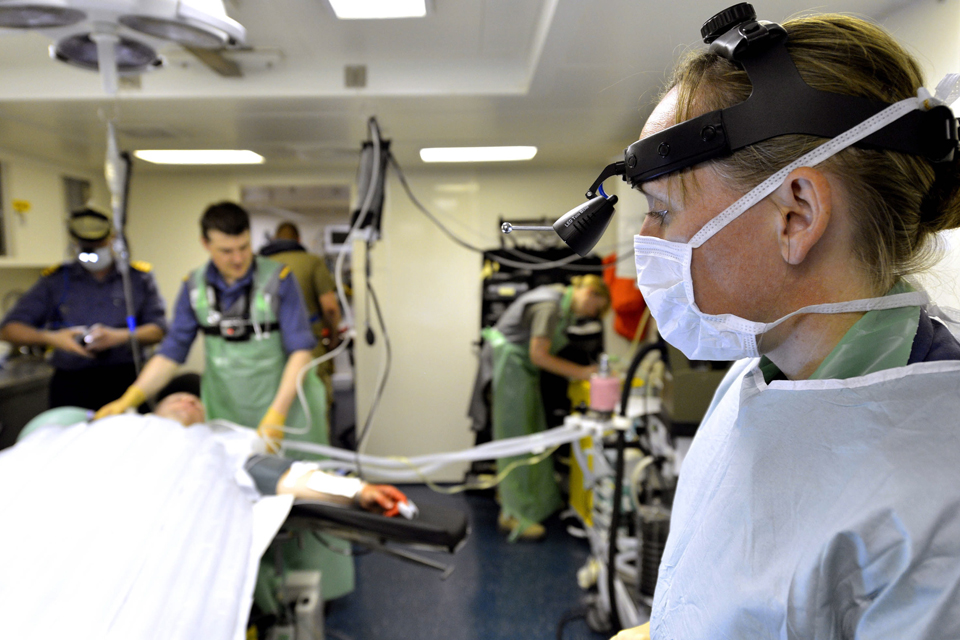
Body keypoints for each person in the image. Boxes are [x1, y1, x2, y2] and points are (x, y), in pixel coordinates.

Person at [611, 9, 960, 640]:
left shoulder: (940, 501)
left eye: (662, 210)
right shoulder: (757, 381)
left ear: (795, 215)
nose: (645, 239)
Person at [0, 378, 407, 639]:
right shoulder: (102, 428)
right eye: (176, 396)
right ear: (153, 408)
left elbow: (286, 476)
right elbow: (42, 453)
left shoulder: (220, 447)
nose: (186, 401)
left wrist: (357, 490)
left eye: (196, 401)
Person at [95, 201, 354, 600]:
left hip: (289, 403)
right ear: (205, 244)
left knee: (306, 495)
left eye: (243, 248)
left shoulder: (279, 279)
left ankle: (321, 589)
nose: (237, 260)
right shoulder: (193, 286)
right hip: (229, 407)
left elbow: (301, 351)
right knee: (239, 500)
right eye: (225, 251)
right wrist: (130, 398)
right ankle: (252, 592)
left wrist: (276, 415)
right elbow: (171, 353)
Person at [480, 275, 609, 541]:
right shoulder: (550, 307)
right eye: (596, 308)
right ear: (589, 293)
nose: (592, 314)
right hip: (509, 370)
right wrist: (583, 373)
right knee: (514, 440)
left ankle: (532, 499)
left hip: (521, 372)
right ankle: (512, 515)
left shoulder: (558, 302)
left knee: (532, 435)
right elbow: (538, 355)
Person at [0, 207, 167, 410]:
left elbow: (159, 330)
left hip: (125, 379)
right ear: (75, 243)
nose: (92, 252)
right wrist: (52, 338)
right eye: (86, 246)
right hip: (72, 384)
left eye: (98, 245)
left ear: (112, 240)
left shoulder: (137, 279)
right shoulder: (55, 280)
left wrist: (120, 336)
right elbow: (9, 329)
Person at [260, 221, 342, 408]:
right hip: (309, 343)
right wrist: (334, 337)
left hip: (269, 347)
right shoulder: (312, 262)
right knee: (315, 401)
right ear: (298, 239)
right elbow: (330, 308)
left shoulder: (261, 266)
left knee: (275, 402)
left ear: (274, 239)